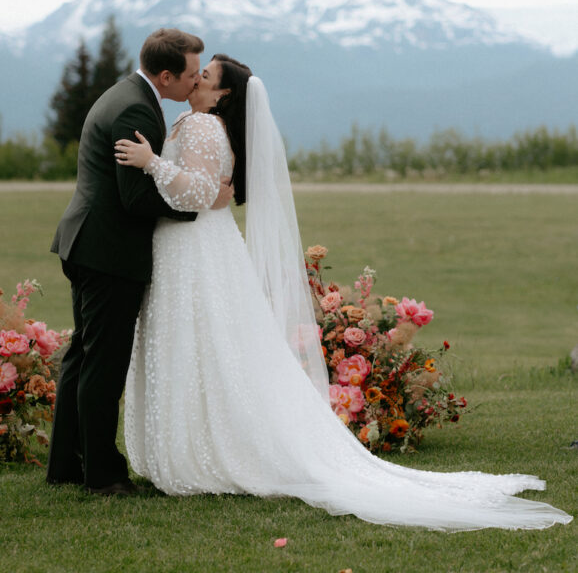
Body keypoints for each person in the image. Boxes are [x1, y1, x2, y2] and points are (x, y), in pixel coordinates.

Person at [114, 54, 572, 530]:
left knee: (204, 345)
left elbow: (196, 195)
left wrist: (151, 165)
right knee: (210, 347)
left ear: (224, 93)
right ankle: (203, 441)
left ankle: (204, 448)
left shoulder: (206, 127)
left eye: (205, 75)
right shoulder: (196, 122)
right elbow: (209, 193)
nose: (196, 78)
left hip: (198, 253)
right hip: (199, 248)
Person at [46, 28, 234, 495]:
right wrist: (200, 203)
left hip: (86, 242)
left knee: (83, 356)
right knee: (103, 364)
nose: (195, 82)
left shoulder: (124, 93)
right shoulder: (136, 109)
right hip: (109, 250)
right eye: (192, 74)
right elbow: (134, 198)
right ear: (166, 75)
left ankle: (66, 464)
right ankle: (104, 475)